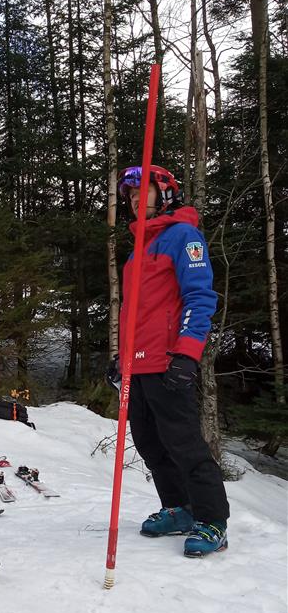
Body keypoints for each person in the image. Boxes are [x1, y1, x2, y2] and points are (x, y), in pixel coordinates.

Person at [109, 165, 230, 558]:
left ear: (166, 194)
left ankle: (212, 519)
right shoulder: (139, 248)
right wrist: (121, 358)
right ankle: (179, 507)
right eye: (128, 195)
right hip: (138, 365)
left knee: (184, 443)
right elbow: (134, 313)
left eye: (140, 192)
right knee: (149, 443)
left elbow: (200, 298)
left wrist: (187, 354)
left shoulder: (183, 236)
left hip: (167, 360)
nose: (132, 200)